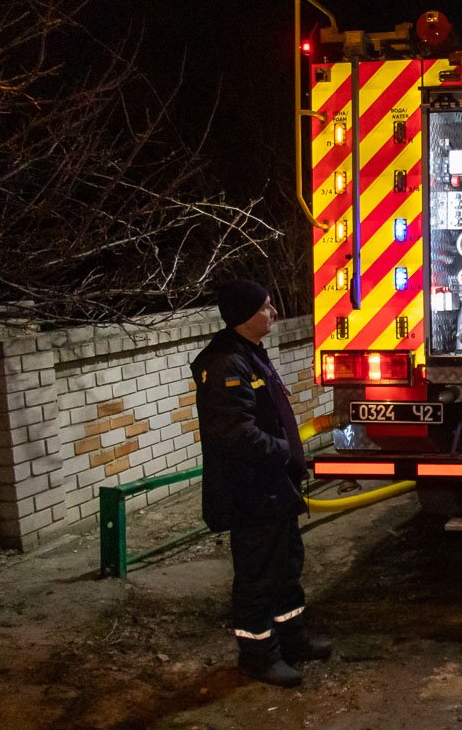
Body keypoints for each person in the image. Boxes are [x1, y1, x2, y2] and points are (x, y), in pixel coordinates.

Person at [191, 279, 332, 688]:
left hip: (273, 487)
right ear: (244, 315)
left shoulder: (248, 353)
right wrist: (284, 451)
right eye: (266, 307)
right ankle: (258, 657)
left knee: (286, 566)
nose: (274, 313)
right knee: (258, 575)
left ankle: (292, 640)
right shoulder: (224, 364)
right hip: (251, 492)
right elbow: (235, 433)